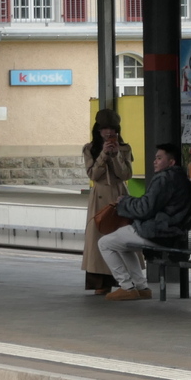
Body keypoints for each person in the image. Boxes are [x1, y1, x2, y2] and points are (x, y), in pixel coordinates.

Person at [97, 143, 191, 301]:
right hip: (173, 235)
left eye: (159, 158)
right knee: (123, 244)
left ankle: (126, 286)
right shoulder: (184, 181)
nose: (154, 161)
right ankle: (141, 286)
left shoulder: (164, 178)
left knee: (104, 243)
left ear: (171, 162)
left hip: (157, 233)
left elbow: (145, 208)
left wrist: (124, 202)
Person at [81, 109, 133, 294]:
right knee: (98, 236)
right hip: (100, 197)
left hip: (119, 194)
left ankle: (126, 282)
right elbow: (93, 175)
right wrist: (103, 155)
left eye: (113, 129)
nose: (109, 133)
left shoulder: (125, 148)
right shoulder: (90, 148)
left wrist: (116, 155)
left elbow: (126, 174)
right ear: (98, 130)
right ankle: (100, 283)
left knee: (122, 235)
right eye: (105, 129)